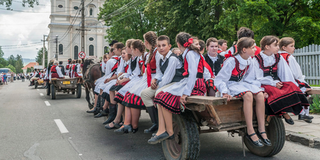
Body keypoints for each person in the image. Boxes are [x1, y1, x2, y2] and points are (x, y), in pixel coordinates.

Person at [148, 32, 208, 144]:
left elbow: (193, 74)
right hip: (190, 82)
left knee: (162, 98)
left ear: (178, 43)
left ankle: (169, 132)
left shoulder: (190, 54)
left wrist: (186, 93)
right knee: (160, 97)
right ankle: (162, 130)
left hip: (195, 84)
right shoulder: (188, 53)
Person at [215, 37, 271, 147]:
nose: (255, 49)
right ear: (244, 49)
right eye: (253, 47)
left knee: (260, 95)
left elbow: (249, 79)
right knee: (248, 95)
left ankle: (261, 129)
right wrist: (224, 92)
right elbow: (220, 79)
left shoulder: (250, 60)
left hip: (241, 84)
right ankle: (250, 130)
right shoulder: (232, 60)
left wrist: (259, 89)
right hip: (229, 84)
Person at [251, 35, 308, 125]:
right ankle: (284, 113)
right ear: (267, 46)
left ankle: (301, 112)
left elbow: (285, 73)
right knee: (273, 91)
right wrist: (273, 83)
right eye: (275, 45)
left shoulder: (278, 57)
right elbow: (258, 77)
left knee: (291, 86)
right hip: (263, 83)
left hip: (276, 82)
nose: (278, 47)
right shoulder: (257, 59)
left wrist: (288, 84)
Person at [115, 31, 160, 134]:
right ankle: (128, 124)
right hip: (147, 78)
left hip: (151, 79)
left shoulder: (154, 54)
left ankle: (136, 125)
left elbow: (158, 71)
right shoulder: (150, 54)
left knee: (133, 97)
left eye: (145, 41)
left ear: (147, 42)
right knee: (129, 95)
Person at [279, 37, 313, 123]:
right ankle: (304, 113)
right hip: (290, 81)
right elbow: (297, 73)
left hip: (280, 82)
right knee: (306, 90)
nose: (294, 48)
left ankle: (303, 113)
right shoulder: (289, 57)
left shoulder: (277, 56)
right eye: (291, 46)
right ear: (284, 47)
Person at [87, 42, 124, 114]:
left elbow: (108, 73)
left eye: (114, 49)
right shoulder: (119, 59)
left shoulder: (112, 60)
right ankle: (101, 107)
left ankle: (101, 107)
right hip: (116, 77)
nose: (113, 51)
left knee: (101, 86)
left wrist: (110, 79)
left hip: (116, 77)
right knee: (101, 86)